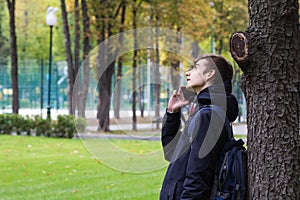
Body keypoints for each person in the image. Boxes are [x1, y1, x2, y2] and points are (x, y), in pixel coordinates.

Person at [160, 54, 239, 200]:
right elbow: (171, 153)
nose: (187, 72)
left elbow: (199, 176)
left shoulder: (209, 116)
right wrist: (172, 114)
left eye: (196, 68)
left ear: (210, 74)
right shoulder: (204, 111)